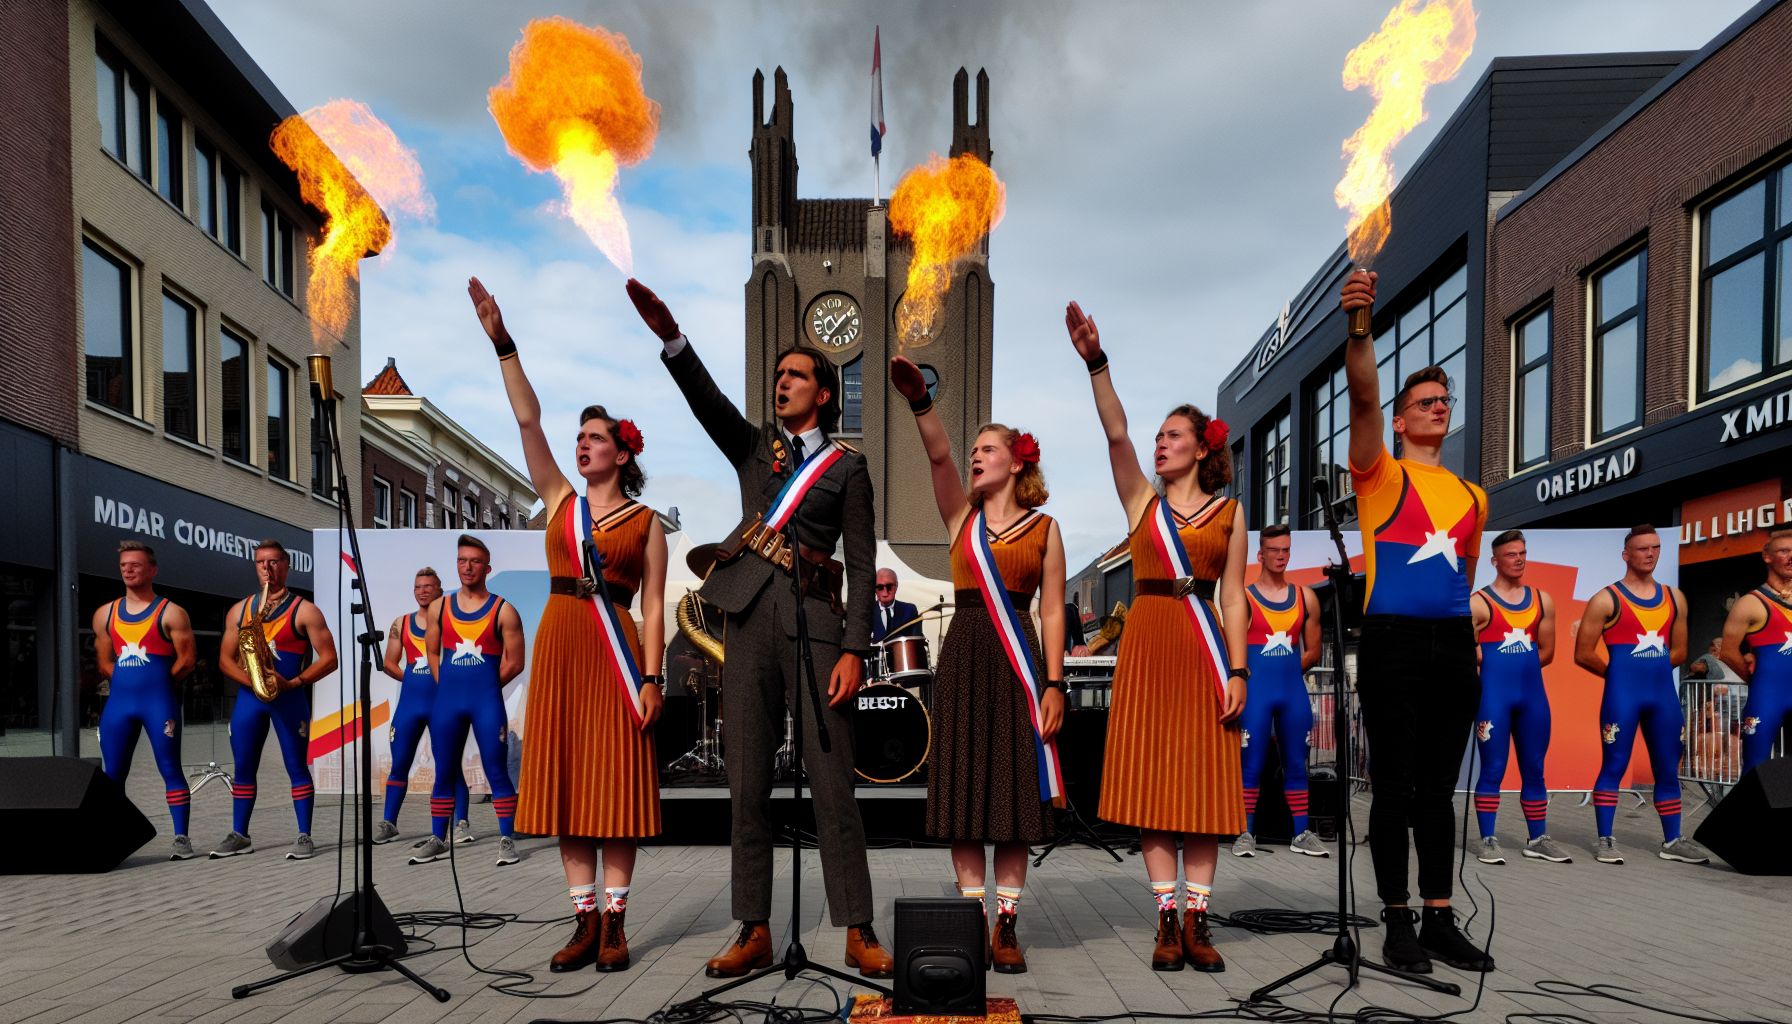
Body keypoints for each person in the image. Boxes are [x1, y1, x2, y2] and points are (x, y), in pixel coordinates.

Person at [627, 277, 890, 980]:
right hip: (747, 620)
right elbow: (708, 403)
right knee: (746, 783)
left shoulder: (848, 470)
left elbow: (862, 567)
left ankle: (858, 929)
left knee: (835, 784)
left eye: (796, 376)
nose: (782, 384)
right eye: (777, 376)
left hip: (818, 627)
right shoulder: (755, 449)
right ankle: (755, 929)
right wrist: (672, 340)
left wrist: (857, 648)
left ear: (823, 392)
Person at [470, 277, 665, 973]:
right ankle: (582, 921)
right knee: (568, 788)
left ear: (622, 453)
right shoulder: (559, 499)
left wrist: (652, 677)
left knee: (613, 785)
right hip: (560, 640)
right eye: (579, 438)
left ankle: (616, 923)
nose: (582, 446)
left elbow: (650, 607)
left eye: (595, 439)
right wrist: (503, 344)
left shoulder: (645, 524)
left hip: (614, 653)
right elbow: (528, 421)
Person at [1065, 300, 1245, 974]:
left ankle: (1199, 918)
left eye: (1174, 436)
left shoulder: (1230, 512)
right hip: (1148, 647)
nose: (1160, 443)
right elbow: (1115, 435)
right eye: (1160, 436)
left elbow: (1232, 596)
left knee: (1200, 790)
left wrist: (1238, 671)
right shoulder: (1142, 502)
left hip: (1202, 650)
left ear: (1203, 447)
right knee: (1151, 786)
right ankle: (1165, 917)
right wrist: (1096, 363)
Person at [891, 355, 1068, 974]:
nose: (974, 455)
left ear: (1018, 461)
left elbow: (1051, 613)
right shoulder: (960, 519)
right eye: (975, 449)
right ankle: (973, 921)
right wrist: (920, 403)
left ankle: (1008, 927)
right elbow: (939, 458)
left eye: (988, 449)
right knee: (967, 796)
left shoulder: (1045, 529)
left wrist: (1055, 684)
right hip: (964, 655)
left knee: (1014, 802)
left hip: (1019, 663)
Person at [1337, 271, 1492, 974]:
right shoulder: (1379, 473)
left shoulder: (1472, 495)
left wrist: (1473, 643)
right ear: (1400, 422)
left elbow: (1462, 577)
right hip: (1392, 639)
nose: (1437, 407)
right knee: (1394, 787)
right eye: (1424, 401)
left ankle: (1438, 919)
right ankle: (1395, 922)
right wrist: (1360, 323)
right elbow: (1363, 392)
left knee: (1437, 789)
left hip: (1453, 645)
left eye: (1443, 401)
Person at [1572, 524, 1709, 866]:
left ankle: (1673, 840)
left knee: (1667, 768)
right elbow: (1583, 652)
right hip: (1623, 696)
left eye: (1655, 548)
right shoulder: (1606, 599)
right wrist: (1620, 675)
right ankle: (1605, 839)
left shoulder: (1673, 597)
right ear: (1626, 555)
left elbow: (1678, 651)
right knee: (1614, 764)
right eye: (1642, 548)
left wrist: (1649, 670)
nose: (1650, 554)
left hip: (1662, 696)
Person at [210, 539, 338, 860]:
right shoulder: (240, 610)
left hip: (289, 699)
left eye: (274, 562)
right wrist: (257, 682)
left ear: (287, 564)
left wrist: (294, 681)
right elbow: (225, 661)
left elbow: (329, 659)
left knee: (296, 767)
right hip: (251, 699)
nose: (267, 568)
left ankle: (304, 835)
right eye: (260, 562)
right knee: (243, 768)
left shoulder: (304, 610)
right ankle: (240, 834)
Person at [409, 535, 525, 868]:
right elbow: (431, 650)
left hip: (485, 703)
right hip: (448, 703)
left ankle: (506, 839)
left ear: (487, 567)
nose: (467, 566)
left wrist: (486, 687)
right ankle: (437, 838)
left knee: (496, 771)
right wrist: (444, 683)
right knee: (443, 771)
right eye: (462, 560)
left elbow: (515, 662)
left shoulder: (504, 610)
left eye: (474, 561)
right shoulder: (439, 607)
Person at [93, 541, 198, 860]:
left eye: (135, 564)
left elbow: (187, 661)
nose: (128, 569)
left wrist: (158, 683)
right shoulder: (105, 614)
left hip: (159, 704)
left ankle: (181, 838)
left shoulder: (172, 612)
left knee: (169, 768)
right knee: (112, 774)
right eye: (124, 565)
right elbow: (104, 662)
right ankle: (114, 838)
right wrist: (128, 681)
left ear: (152, 569)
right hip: (119, 705)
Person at [1469, 530, 1569, 865]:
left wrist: (1511, 657)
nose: (1519, 559)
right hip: (1494, 698)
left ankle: (1538, 838)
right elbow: (1463, 652)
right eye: (1511, 554)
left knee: (1535, 768)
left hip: (1532, 699)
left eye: (1523, 553)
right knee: (1493, 768)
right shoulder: (1479, 602)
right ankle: (1488, 839)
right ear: (1495, 561)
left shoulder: (1543, 600)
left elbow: (1548, 651)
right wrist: (1500, 659)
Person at [1231, 525, 1327, 860]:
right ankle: (1246, 832)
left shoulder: (1306, 597)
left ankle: (1300, 832)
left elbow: (1314, 651)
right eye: (1274, 550)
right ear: (1261, 554)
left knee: (1297, 764)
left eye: (1285, 549)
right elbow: (1231, 649)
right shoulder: (1243, 598)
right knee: (1251, 764)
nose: (1281, 555)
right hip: (1256, 692)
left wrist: (1285, 670)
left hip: (1291, 692)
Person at [375, 567, 470, 846]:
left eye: (429, 586)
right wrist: (415, 676)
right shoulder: (401, 623)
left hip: (444, 705)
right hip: (411, 704)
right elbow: (389, 662)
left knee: (449, 766)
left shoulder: (454, 622)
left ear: (440, 591)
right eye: (418, 587)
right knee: (399, 764)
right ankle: (389, 823)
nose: (423, 591)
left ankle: (461, 823)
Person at [1718, 528, 1792, 775]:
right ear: (1767, 556)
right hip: (1767, 697)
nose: (1791, 557)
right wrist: (1755, 679)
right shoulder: (1751, 603)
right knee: (1756, 771)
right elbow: (1727, 651)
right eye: (1784, 551)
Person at [871, 568, 923, 645]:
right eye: (880, 587)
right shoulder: (867, 612)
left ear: (896, 586)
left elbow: (917, 644)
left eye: (889, 587)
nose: (885, 593)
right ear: (875, 589)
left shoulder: (910, 610)